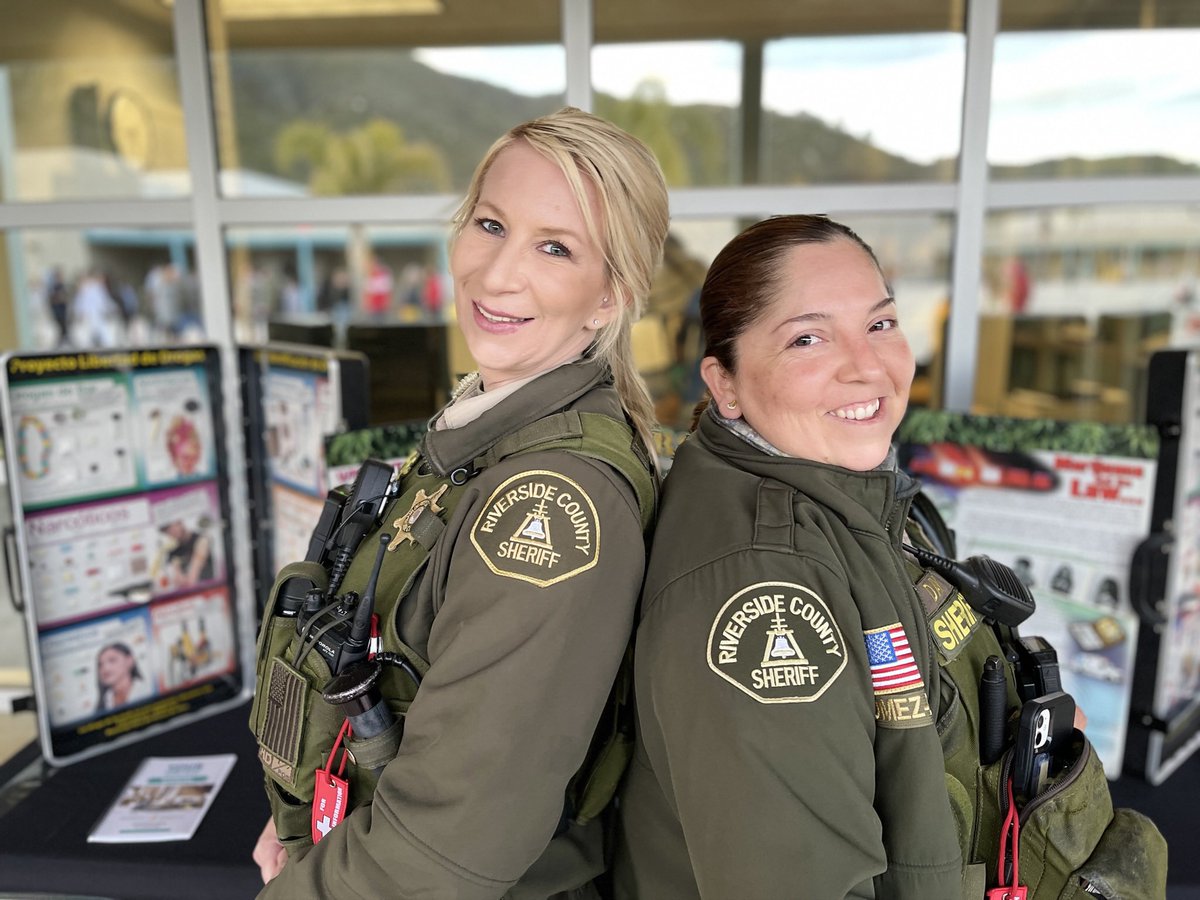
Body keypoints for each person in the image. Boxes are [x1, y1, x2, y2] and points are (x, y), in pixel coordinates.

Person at [613, 215, 1158, 899]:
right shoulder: (761, 592)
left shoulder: (858, 498)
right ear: (725, 384)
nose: (867, 366)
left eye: (880, 324)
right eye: (808, 338)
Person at [251, 106, 669, 899]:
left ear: (610, 297)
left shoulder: (550, 500)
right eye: (489, 223)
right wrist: (297, 820)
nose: (498, 273)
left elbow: (449, 843)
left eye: (555, 247)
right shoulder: (483, 429)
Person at [95, 642, 151, 712]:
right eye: (100, 665)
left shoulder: (148, 691)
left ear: (129, 661)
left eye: (112, 660)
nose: (105, 668)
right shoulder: (104, 702)